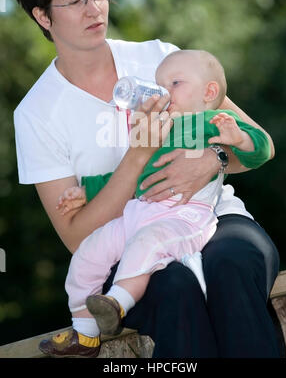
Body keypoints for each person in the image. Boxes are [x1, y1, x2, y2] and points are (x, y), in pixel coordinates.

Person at [10, 0, 280, 358]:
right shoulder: (36, 114)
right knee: (175, 287)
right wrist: (136, 158)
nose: (95, 9)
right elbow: (79, 238)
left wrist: (215, 159)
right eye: (76, 1)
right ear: (43, 16)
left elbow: (257, 141)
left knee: (232, 264)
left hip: (210, 216)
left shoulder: (161, 59)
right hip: (129, 239)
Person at [37, 49, 272, 358]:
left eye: (174, 83)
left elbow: (262, 147)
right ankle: (84, 333)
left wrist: (234, 143)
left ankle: (117, 302)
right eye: (161, 84)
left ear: (209, 92)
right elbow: (134, 176)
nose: (164, 92)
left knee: (150, 247)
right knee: (88, 253)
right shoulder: (160, 130)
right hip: (139, 213)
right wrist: (86, 191)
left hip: (184, 218)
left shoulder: (210, 121)